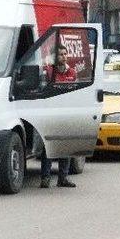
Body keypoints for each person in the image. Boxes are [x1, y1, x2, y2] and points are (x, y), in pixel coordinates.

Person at [40, 45, 76, 188]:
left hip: (66, 115)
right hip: (51, 114)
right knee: (48, 147)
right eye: (61, 54)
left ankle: (63, 178)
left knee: (65, 147)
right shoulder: (49, 72)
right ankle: (45, 178)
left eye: (65, 54)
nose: (64, 56)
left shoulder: (72, 72)